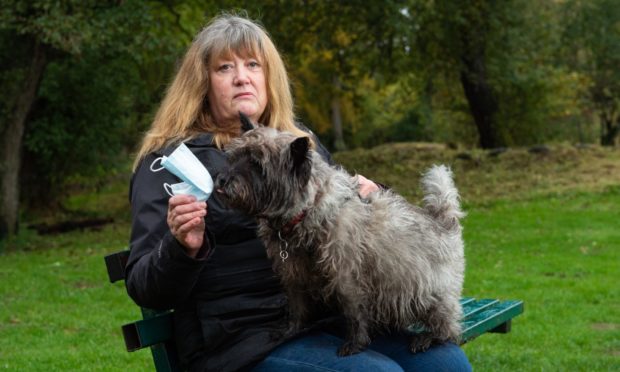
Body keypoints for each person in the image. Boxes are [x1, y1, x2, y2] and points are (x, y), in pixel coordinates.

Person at [126, 13, 472, 372]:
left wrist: (372, 194)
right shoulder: (167, 164)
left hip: (328, 320)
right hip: (239, 341)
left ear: (268, 77)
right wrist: (183, 248)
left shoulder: (296, 145)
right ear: (202, 82)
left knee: (447, 364)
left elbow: (349, 226)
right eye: (224, 67)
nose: (242, 77)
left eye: (253, 65)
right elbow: (144, 285)